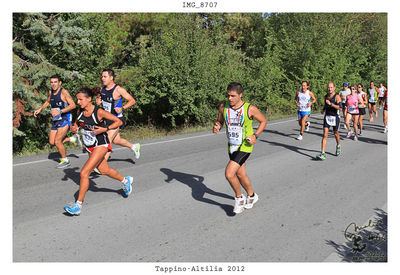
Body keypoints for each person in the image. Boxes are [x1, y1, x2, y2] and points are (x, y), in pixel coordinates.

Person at [64, 87, 133, 216]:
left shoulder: (99, 112)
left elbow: (118, 121)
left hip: (101, 145)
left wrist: (104, 129)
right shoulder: (80, 112)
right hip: (90, 146)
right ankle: (125, 181)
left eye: (80, 99)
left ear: (89, 99)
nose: (78, 102)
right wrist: (74, 128)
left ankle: (78, 205)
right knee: (104, 170)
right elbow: (78, 124)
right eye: (77, 99)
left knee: (84, 173)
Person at [213, 82, 267, 214]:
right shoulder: (223, 107)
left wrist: (256, 135)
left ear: (240, 95)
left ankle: (239, 198)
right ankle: (252, 195)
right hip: (232, 145)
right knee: (241, 174)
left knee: (229, 173)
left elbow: (263, 121)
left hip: (245, 145)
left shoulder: (249, 108)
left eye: (233, 96)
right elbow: (220, 121)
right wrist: (217, 126)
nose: (230, 98)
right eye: (228, 95)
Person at [96, 68, 140, 161]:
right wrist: (98, 102)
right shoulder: (102, 89)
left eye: (105, 76)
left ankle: (101, 164)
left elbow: (132, 100)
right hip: (106, 119)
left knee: (107, 140)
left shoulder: (118, 90)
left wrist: (122, 108)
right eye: (102, 76)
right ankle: (134, 147)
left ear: (111, 77)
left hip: (117, 119)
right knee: (116, 140)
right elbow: (98, 101)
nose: (102, 78)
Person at [33, 75, 76, 168]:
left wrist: (60, 111)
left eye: (55, 82)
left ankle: (65, 160)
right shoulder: (50, 92)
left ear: (59, 83)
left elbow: (73, 105)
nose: (53, 84)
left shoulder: (64, 92)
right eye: (51, 82)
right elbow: (48, 101)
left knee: (57, 141)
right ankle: (70, 139)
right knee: (52, 142)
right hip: (56, 119)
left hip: (65, 118)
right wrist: (40, 109)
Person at [316, 82, 342, 160]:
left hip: (335, 117)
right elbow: (325, 104)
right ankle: (323, 153)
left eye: (331, 87)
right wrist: (323, 110)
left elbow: (340, 108)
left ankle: (338, 145)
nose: (329, 89)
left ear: (334, 88)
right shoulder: (326, 96)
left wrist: (331, 104)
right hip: (327, 117)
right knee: (325, 135)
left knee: (336, 134)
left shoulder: (337, 97)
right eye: (328, 87)